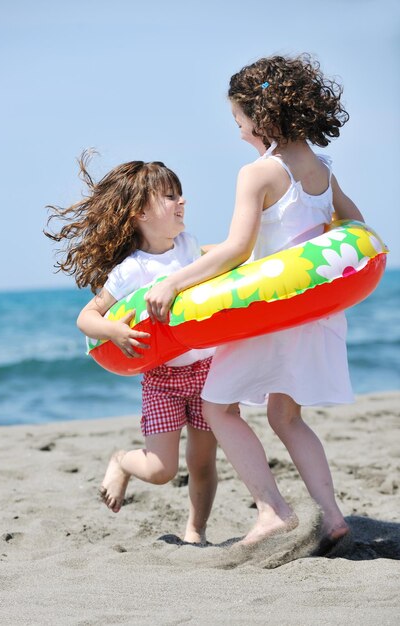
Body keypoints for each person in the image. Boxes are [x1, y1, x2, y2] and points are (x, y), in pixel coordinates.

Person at [144, 54, 364, 550]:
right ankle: (331, 516)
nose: (240, 133)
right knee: (287, 417)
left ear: (260, 118)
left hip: (269, 315)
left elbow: (237, 249)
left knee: (216, 406)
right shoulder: (321, 168)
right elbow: (355, 226)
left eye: (239, 122)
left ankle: (272, 511)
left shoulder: (259, 173)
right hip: (314, 314)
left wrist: (175, 281)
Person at [45, 153, 217, 545]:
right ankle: (122, 461)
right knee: (161, 470)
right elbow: (86, 317)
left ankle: (196, 532)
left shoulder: (189, 246)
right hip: (161, 377)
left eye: (181, 194)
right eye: (171, 196)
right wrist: (113, 332)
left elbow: (227, 256)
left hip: (206, 367)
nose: (182, 202)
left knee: (203, 461)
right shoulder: (131, 270)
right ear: (139, 211)